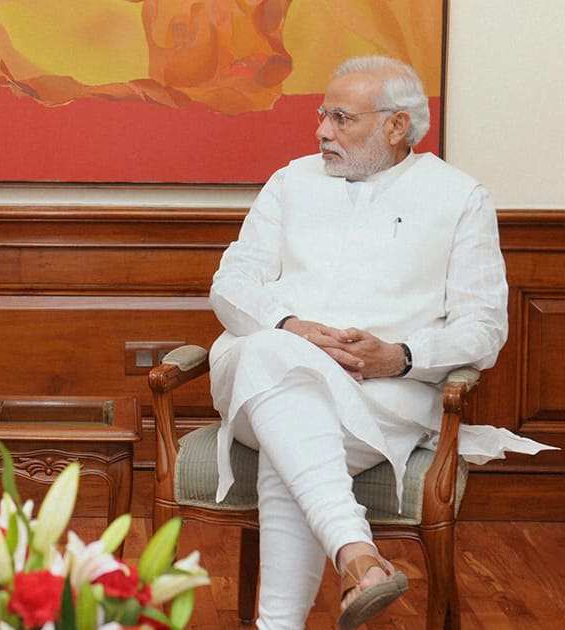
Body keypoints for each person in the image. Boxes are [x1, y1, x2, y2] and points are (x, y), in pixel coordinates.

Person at [208, 55, 554, 630]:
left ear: (396, 127)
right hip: (256, 373)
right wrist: (292, 326)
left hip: (380, 394)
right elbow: (232, 283)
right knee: (276, 359)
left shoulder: (459, 197)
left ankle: (321, 593)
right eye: (323, 115)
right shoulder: (290, 182)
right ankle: (356, 552)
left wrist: (401, 357)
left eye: (342, 118)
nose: (321, 131)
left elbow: (485, 327)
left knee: (292, 432)